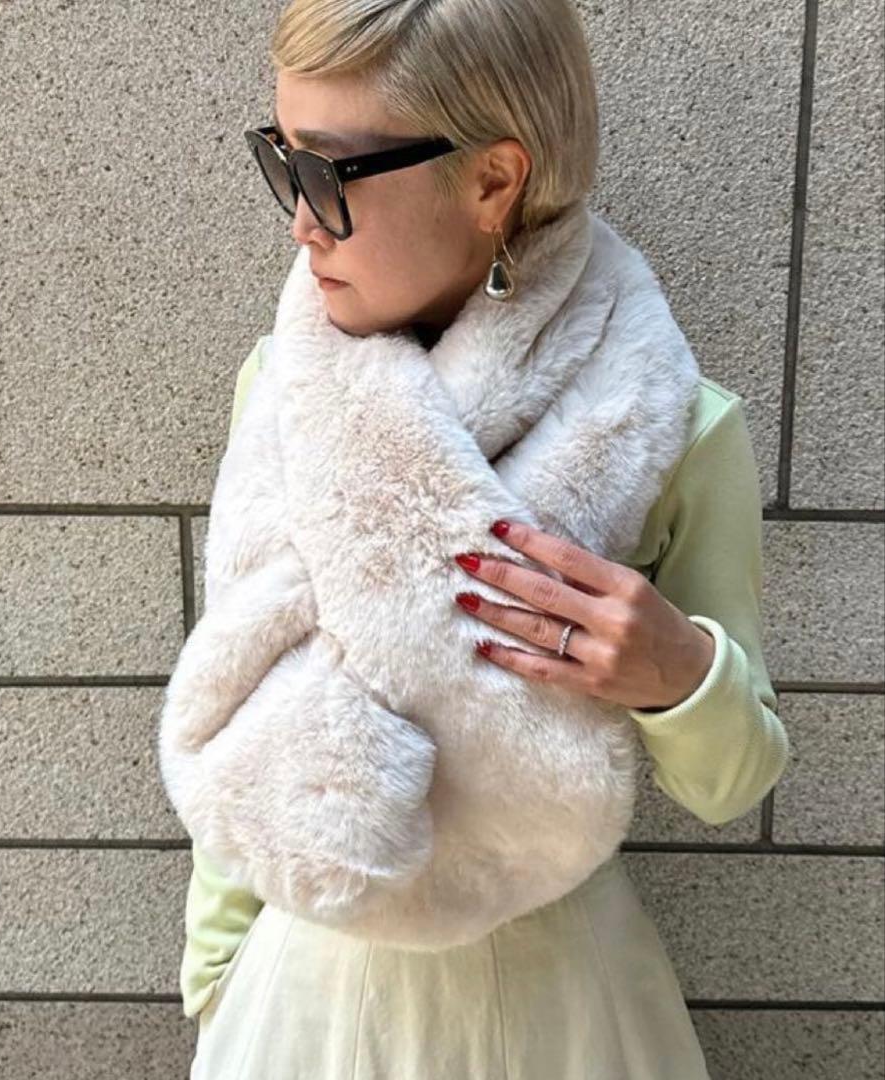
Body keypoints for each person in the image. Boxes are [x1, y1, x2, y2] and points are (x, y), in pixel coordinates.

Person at [176, 2, 790, 1076]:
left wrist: (679, 675)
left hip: (559, 1006)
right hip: (306, 997)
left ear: (494, 181)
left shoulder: (671, 425)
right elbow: (246, 687)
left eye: (327, 173)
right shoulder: (281, 384)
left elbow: (732, 785)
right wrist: (217, 978)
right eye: (282, 161)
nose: (300, 224)